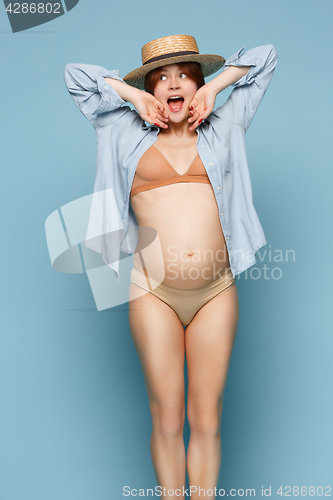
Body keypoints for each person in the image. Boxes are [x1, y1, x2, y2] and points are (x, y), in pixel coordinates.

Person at [64, 34, 278, 499]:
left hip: (216, 291)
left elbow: (265, 56)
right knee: (167, 416)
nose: (173, 84)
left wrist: (219, 86)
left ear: (197, 84)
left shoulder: (226, 123)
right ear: (151, 91)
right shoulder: (119, 128)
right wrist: (130, 93)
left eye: (185, 75)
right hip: (151, 291)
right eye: (161, 78)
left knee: (206, 418)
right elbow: (75, 76)